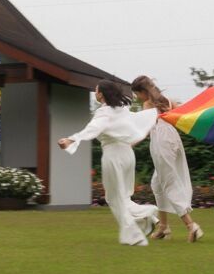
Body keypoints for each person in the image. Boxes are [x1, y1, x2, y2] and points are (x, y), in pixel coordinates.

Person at [58, 81, 159, 246]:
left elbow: (92, 129)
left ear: (101, 94)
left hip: (113, 155)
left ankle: (141, 224)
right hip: (127, 154)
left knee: (114, 198)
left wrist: (71, 139)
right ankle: (143, 221)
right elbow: (137, 122)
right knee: (122, 196)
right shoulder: (122, 110)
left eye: (96, 91)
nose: (95, 94)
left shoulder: (103, 113)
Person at [131, 75, 204, 242]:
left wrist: (130, 144)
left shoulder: (147, 105)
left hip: (161, 142)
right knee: (157, 183)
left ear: (143, 91)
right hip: (173, 139)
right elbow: (182, 116)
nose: (137, 97)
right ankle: (163, 227)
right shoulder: (167, 101)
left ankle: (191, 226)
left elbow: (145, 129)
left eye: (137, 94)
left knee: (168, 183)